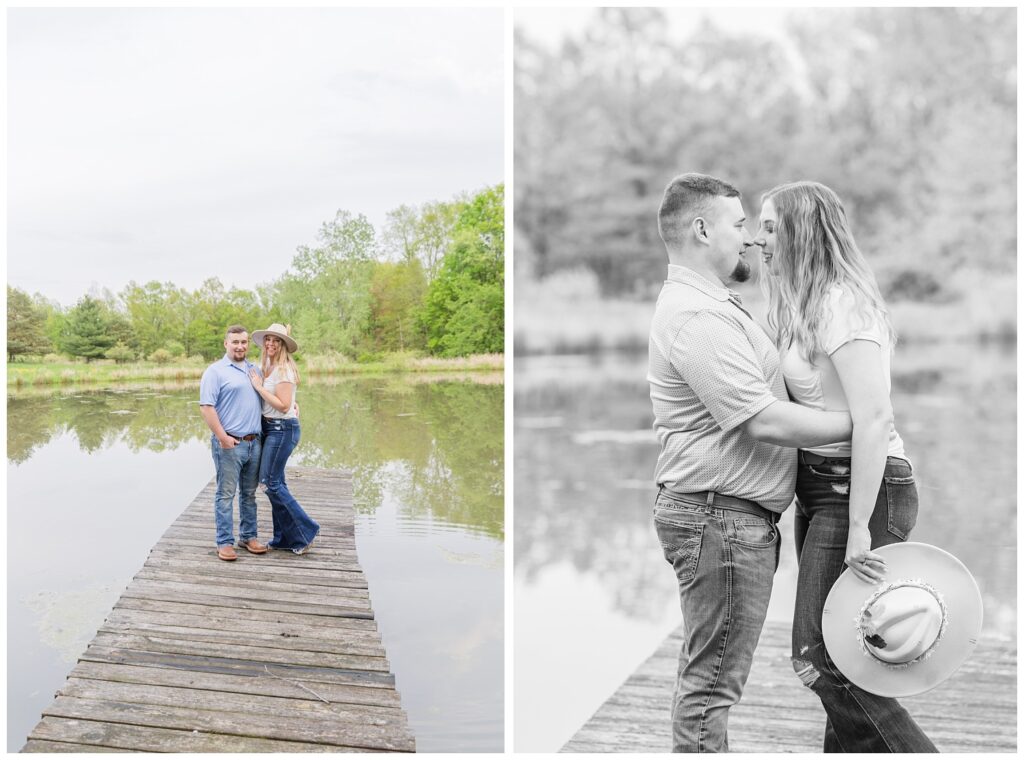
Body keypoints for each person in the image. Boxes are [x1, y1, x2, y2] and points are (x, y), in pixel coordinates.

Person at [648, 173, 856, 753]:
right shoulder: (697, 317)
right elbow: (761, 419)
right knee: (713, 684)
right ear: (701, 229)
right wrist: (864, 422)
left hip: (732, 518)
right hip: (719, 518)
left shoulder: (718, 305)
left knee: (713, 677)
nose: (749, 239)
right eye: (740, 225)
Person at [755, 180, 936, 752]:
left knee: (816, 658)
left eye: (768, 227)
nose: (758, 240)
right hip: (820, 488)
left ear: (801, 232)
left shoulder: (842, 303)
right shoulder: (802, 303)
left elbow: (875, 417)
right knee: (845, 655)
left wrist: (860, 525)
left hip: (864, 489)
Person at [248, 323, 320, 554]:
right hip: (271, 428)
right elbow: (285, 401)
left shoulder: (283, 370)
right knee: (276, 483)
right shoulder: (267, 365)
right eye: (268, 339)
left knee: (270, 483)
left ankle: (305, 532)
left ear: (283, 345)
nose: (270, 344)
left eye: (276, 341)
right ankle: (283, 538)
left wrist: (259, 388)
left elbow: (283, 405)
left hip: (282, 429)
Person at [199, 325, 269, 561]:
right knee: (226, 494)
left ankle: (248, 537)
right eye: (235, 342)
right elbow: (207, 407)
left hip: (254, 443)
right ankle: (224, 542)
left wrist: (293, 406)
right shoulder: (215, 371)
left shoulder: (254, 370)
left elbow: (269, 397)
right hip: (230, 443)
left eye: (244, 342)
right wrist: (222, 437)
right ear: (226, 344)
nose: (240, 346)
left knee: (249, 494)